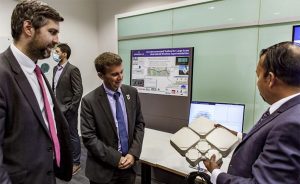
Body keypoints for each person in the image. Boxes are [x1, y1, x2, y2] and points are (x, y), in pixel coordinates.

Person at [204, 41, 300, 184]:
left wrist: (216, 173)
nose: (257, 82)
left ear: (270, 79)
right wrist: (237, 135)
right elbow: (268, 140)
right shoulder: (290, 109)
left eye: (258, 75)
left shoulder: (289, 124)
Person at [0, 1, 73, 183]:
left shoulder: (36, 72)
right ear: (28, 28)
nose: (57, 40)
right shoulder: (2, 73)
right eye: (52, 32)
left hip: (46, 174)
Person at [81, 52, 145, 184]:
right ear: (101, 75)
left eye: (121, 72)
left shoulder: (132, 93)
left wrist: (133, 154)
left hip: (129, 166)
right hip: (103, 170)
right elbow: (89, 137)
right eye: (114, 74)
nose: (120, 77)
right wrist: (116, 159)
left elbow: (139, 124)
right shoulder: (89, 101)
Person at [52, 43, 83, 175]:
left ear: (64, 54)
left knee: (72, 135)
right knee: (59, 136)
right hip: (56, 109)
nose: (54, 53)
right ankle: (64, 159)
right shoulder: (55, 68)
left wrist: (71, 109)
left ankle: (76, 163)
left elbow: (78, 91)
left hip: (68, 110)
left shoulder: (72, 69)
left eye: (57, 51)